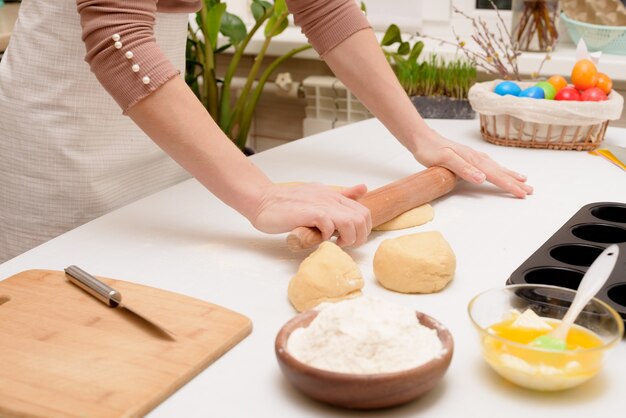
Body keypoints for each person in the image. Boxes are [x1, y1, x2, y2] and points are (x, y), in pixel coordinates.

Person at [0, 0, 532, 263]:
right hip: (55, 147)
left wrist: (424, 138)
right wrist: (260, 194)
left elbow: (323, 7)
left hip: (158, 135)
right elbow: (119, 39)